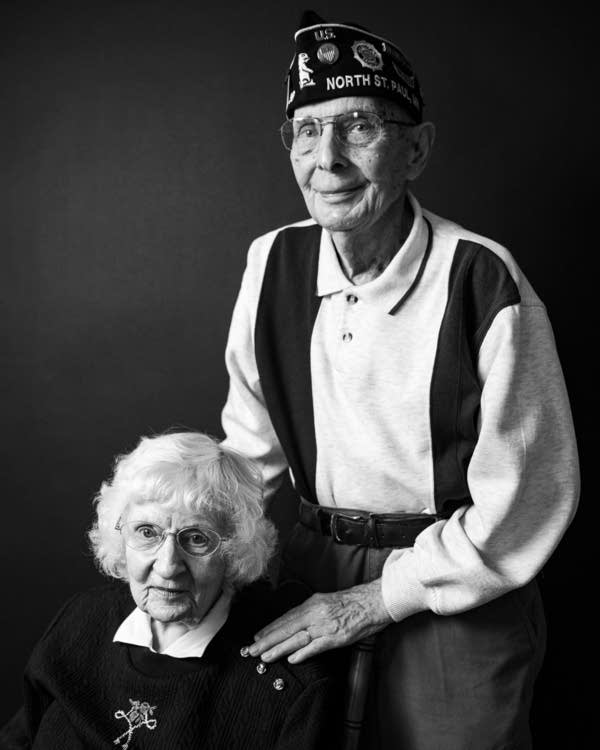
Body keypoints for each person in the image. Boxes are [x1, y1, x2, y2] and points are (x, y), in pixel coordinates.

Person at [220, 9, 580, 749]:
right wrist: (199, 559)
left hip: (457, 578)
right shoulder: (272, 263)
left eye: (358, 126)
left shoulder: (484, 280)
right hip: (308, 565)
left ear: (416, 149)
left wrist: (377, 599)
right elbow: (247, 458)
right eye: (307, 131)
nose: (329, 160)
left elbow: (528, 501)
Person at [0, 432, 342, 749]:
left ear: (235, 549)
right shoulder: (81, 622)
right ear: (120, 538)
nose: (167, 566)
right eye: (147, 532)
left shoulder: (287, 680)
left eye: (196, 538)